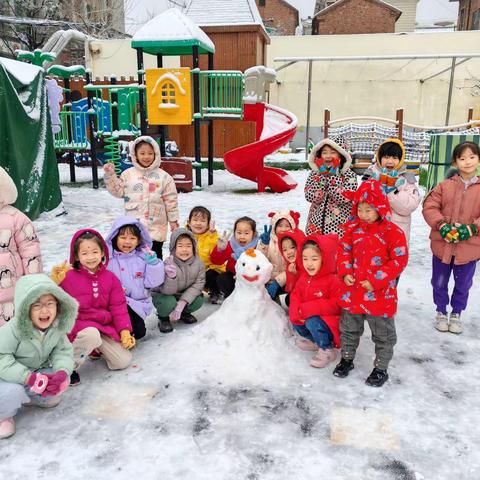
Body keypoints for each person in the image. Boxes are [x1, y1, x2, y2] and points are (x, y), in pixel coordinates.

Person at [334, 179, 408, 387]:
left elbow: (399, 260)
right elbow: (343, 252)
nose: (364, 214)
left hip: (379, 296)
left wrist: (376, 281)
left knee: (383, 334)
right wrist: (345, 271)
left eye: (369, 209)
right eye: (361, 209)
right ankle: (346, 359)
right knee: (349, 328)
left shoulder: (393, 232)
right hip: (354, 292)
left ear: (381, 208)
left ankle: (380, 368)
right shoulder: (352, 229)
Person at [51, 229, 135, 385]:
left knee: (122, 361)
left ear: (103, 253)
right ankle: (65, 367)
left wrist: (124, 331)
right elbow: (53, 302)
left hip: (102, 326)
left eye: (95, 251)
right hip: (79, 327)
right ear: (76, 256)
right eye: (84, 253)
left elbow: (118, 307)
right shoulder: (68, 277)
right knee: (91, 335)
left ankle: (95, 350)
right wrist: (54, 283)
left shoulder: (111, 278)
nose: (90, 257)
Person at [0, 274, 78, 439]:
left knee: (61, 381)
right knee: (11, 392)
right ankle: (3, 416)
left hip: (35, 373)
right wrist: (27, 377)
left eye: (50, 303)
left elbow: (62, 351)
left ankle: (33, 396)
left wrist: (62, 371)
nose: (45, 310)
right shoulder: (12, 330)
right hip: (7, 377)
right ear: (25, 308)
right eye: (36, 305)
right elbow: (1, 357)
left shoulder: (56, 326)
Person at [422, 141, 480, 334]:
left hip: (469, 248)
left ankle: (456, 314)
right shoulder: (444, 186)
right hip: (442, 247)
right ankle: (440, 311)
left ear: (478, 159)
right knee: (439, 281)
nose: (467, 162)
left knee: (463, 284)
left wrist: (472, 228)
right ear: (455, 162)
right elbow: (430, 206)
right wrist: (442, 225)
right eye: (462, 158)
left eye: (472, 157)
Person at [103, 135, 179, 259]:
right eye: (142, 153)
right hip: (134, 229)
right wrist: (111, 176)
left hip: (156, 227)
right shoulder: (128, 175)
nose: (146, 157)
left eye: (150, 153)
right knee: (134, 258)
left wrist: (173, 221)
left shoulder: (164, 177)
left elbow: (171, 200)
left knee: (154, 257)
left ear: (156, 154)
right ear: (135, 154)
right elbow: (118, 192)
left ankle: (156, 277)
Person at [106, 216, 165, 340]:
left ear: (139, 241)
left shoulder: (142, 258)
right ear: (115, 238)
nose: (127, 242)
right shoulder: (108, 260)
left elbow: (153, 282)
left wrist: (153, 264)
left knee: (139, 333)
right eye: (123, 237)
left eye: (132, 238)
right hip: (114, 305)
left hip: (136, 305)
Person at [289, 234, 341, 368]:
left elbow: (337, 304)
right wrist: (295, 311)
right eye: (305, 259)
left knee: (312, 322)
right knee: (296, 323)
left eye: (314, 259)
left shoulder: (332, 280)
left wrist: (309, 309)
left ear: (325, 259)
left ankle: (327, 349)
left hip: (329, 323)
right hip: (309, 317)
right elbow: (295, 294)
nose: (309, 263)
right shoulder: (304, 277)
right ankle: (316, 342)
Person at [0, 166, 43, 326]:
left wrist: (34, 281)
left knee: (12, 325)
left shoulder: (15, 218)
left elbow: (31, 252)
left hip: (13, 287)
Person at [363, 138, 421, 243]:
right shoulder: (371, 175)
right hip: (373, 231)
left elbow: (409, 206)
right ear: (379, 158)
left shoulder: (406, 179)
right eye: (386, 157)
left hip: (397, 232)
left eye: (394, 157)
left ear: (401, 159)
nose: (390, 161)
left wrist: (390, 193)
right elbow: (362, 201)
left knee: (395, 258)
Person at [152, 228, 206, 334]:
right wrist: (171, 277)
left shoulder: (199, 263)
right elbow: (167, 291)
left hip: (182, 295)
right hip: (165, 295)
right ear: (173, 248)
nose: (184, 250)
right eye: (180, 246)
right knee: (168, 302)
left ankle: (184, 313)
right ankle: (163, 318)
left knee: (198, 300)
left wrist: (183, 302)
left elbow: (198, 284)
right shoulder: (169, 263)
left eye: (188, 246)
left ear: (194, 247)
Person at [304, 139, 357, 236]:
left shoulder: (349, 175)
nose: (328, 156)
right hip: (316, 227)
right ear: (319, 156)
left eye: (333, 152)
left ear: (341, 155)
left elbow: (342, 198)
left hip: (339, 230)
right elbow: (310, 196)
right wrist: (322, 176)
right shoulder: (315, 173)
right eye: (324, 152)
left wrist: (332, 177)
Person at [210, 216, 258, 299]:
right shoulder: (230, 245)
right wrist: (220, 249)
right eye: (239, 233)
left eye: (246, 233)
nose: (242, 236)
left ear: (253, 234)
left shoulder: (258, 246)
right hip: (233, 276)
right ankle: (232, 298)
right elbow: (216, 261)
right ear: (234, 232)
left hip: (251, 278)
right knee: (222, 279)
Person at [257, 210, 300, 300]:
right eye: (280, 226)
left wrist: (278, 282)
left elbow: (295, 265)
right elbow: (259, 259)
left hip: (287, 281)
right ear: (274, 228)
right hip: (268, 281)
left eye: (287, 226)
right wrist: (264, 245)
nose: (283, 229)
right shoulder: (269, 241)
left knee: (287, 299)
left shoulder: (294, 243)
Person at [186, 206, 226, 304]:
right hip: (191, 271)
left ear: (208, 224)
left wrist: (212, 235)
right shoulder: (184, 236)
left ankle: (215, 292)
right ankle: (192, 291)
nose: (198, 223)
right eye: (195, 220)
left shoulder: (212, 236)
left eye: (203, 221)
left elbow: (215, 256)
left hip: (207, 271)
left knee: (212, 274)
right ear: (189, 222)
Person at [277, 229, 306, 301]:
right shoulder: (290, 265)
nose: (289, 252)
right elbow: (291, 288)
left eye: (292, 247)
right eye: (284, 250)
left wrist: (295, 274)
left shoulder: (306, 264)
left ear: (300, 246)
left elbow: (307, 286)